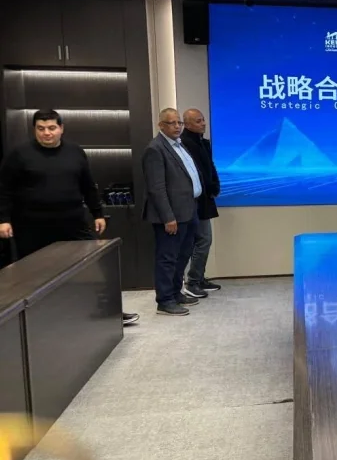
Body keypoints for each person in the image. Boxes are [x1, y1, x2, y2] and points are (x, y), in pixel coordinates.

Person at [0, 109, 138, 325]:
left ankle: (110, 311)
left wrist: (97, 213)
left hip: (73, 221)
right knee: (34, 273)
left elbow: (87, 186)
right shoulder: (19, 154)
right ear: (34, 130)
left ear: (61, 128)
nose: (47, 133)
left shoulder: (75, 152)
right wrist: (4, 219)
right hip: (31, 225)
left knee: (99, 263)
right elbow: (4, 190)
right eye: (41, 128)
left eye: (51, 128)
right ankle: (41, 321)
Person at [142, 108, 202, 316]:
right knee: (167, 258)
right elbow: (156, 188)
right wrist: (168, 217)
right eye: (172, 123)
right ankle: (165, 300)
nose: (177, 126)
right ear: (161, 125)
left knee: (182, 255)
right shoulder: (155, 149)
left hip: (188, 210)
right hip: (171, 216)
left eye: (179, 123)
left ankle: (176, 292)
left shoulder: (179, 145)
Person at [180, 108, 221, 298]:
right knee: (203, 240)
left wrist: (215, 186)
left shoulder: (203, 143)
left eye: (203, 120)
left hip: (205, 198)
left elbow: (210, 168)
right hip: (195, 200)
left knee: (202, 240)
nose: (203, 123)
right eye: (198, 121)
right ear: (187, 124)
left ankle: (199, 278)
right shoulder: (184, 145)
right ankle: (193, 282)